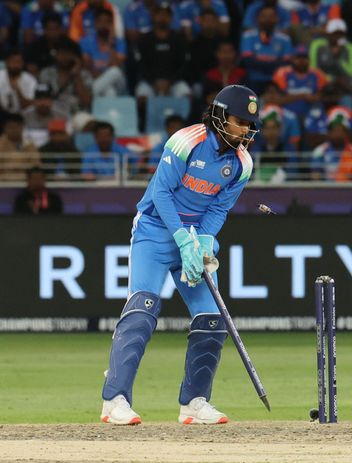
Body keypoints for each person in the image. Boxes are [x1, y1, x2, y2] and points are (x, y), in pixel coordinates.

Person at [100, 85, 259, 426]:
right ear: (220, 116)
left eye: (249, 124)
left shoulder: (242, 163)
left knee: (212, 318)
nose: (245, 129)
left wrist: (204, 241)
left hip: (194, 237)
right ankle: (114, 401)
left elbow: (219, 208)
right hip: (155, 231)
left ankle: (194, 403)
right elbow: (161, 192)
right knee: (142, 309)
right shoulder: (186, 141)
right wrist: (181, 238)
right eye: (240, 121)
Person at [135, 3, 191, 101]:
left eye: (166, 15)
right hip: (150, 82)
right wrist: (154, 82)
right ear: (153, 17)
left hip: (174, 82)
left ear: (171, 18)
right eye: (159, 14)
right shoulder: (144, 40)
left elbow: (184, 65)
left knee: (186, 96)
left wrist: (170, 81)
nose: (163, 17)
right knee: (142, 98)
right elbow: (141, 65)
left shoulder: (178, 39)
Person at [79, 8, 128, 97]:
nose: (103, 25)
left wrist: (111, 43)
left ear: (112, 24)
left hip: (117, 83)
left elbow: (114, 64)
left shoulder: (120, 43)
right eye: (100, 21)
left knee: (115, 71)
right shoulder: (85, 41)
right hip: (95, 80)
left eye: (107, 22)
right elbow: (87, 67)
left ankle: (89, 94)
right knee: (110, 92)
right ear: (95, 23)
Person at [38, 37, 94, 115]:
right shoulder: (46, 73)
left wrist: (77, 74)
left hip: (77, 114)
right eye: (61, 53)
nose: (64, 57)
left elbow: (86, 101)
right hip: (52, 114)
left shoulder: (85, 75)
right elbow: (41, 100)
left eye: (68, 53)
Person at [310, 113, 352, 182]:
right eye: (334, 130)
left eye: (340, 130)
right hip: (326, 187)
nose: (337, 134)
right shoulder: (320, 151)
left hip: (348, 187)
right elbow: (315, 176)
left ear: (346, 133)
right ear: (329, 132)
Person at [0, 114, 41, 182]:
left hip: (26, 181)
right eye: (11, 127)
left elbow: (36, 164)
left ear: (22, 127)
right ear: (4, 128)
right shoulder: (0, 144)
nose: (14, 130)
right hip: (3, 181)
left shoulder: (30, 144)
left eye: (17, 126)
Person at [0, 50, 38, 114]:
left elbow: (30, 104)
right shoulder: (1, 76)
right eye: (13, 61)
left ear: (23, 64)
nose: (15, 65)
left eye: (18, 62)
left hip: (24, 115)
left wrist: (17, 89)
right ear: (6, 62)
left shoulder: (30, 80)